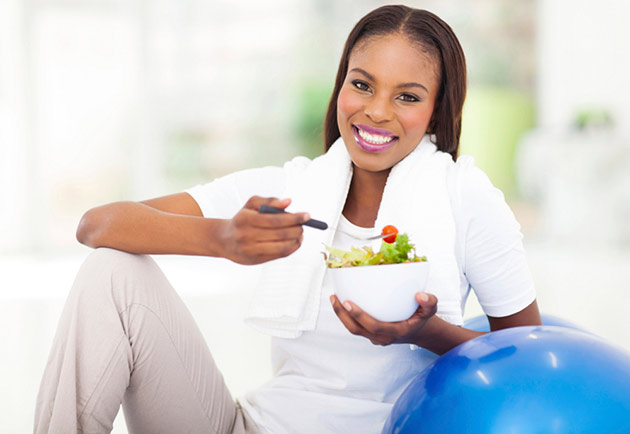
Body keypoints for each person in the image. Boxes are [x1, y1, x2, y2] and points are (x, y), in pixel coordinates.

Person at [34, 5, 541, 434]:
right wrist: (222, 237)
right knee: (113, 272)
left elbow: (528, 358)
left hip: (397, 424)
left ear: (435, 110)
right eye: (361, 84)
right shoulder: (291, 190)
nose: (377, 111)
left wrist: (424, 333)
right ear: (341, 86)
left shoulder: (465, 197)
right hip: (255, 426)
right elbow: (97, 226)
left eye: (407, 96)